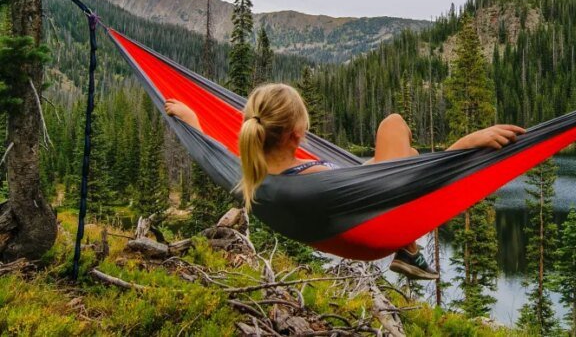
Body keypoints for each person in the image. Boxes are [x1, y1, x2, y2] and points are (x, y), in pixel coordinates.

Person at [165, 83, 525, 280]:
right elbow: (405, 189)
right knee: (393, 123)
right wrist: (463, 147)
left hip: (348, 214)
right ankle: (409, 249)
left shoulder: (249, 174)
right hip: (373, 232)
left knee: (410, 153)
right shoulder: (313, 181)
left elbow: (214, 152)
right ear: (296, 134)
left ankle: (411, 250)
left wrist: (193, 121)